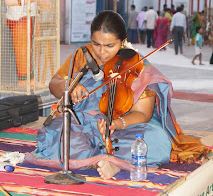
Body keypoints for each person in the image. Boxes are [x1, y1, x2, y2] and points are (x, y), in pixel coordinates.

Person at [32, 10, 208, 180]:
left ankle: (111, 162)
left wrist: (115, 124)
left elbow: (143, 113)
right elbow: (54, 84)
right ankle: (102, 161)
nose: (102, 52)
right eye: (96, 44)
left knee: (158, 142)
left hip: (126, 128)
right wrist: (69, 86)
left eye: (110, 46)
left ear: (123, 42)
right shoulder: (82, 55)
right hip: (84, 124)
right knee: (60, 136)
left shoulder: (136, 64)